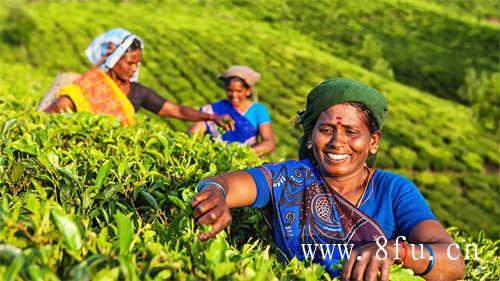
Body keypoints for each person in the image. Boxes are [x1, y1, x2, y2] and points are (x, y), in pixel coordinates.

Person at [191, 78, 465, 280]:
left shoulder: (393, 190)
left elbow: (452, 261)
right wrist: (215, 194)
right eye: (325, 130)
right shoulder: (288, 179)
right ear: (310, 138)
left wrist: (395, 251)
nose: (337, 142)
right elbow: (226, 183)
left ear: (373, 142)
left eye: (351, 131)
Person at [44, 28, 233, 129]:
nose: (134, 69)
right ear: (114, 60)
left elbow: (177, 110)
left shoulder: (138, 91)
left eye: (137, 63)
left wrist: (211, 117)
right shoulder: (91, 84)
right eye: (129, 63)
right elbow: (57, 109)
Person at [188, 65, 275, 156]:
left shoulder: (258, 110)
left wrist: (240, 155)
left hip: (245, 164)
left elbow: (269, 144)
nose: (233, 95)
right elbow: (192, 135)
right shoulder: (212, 110)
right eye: (230, 90)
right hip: (216, 161)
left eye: (239, 91)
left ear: (248, 90)